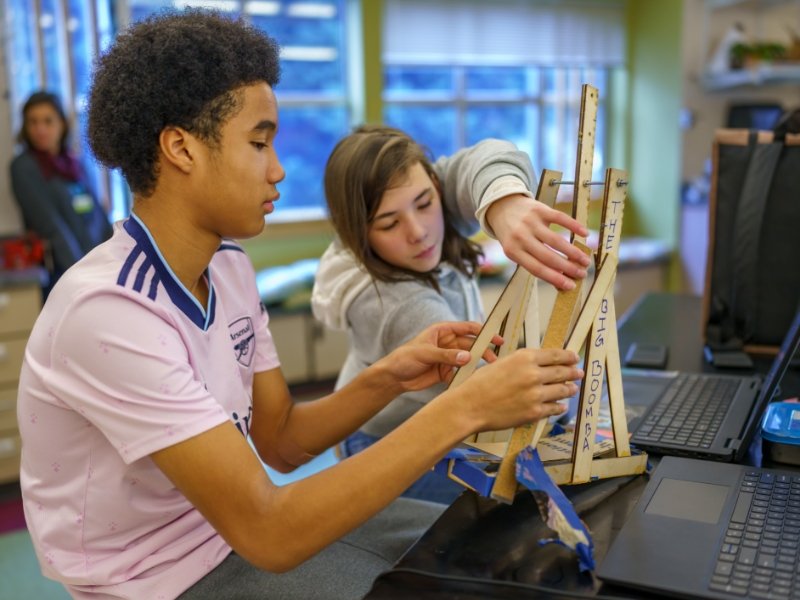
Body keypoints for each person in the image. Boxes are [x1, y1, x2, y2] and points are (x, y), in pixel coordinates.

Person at [17, 10, 584, 600]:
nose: (278, 168)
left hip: (226, 538)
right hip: (160, 580)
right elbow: (270, 532)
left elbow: (282, 441)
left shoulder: (228, 266)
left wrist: (389, 377)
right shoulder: (109, 313)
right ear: (181, 148)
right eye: (258, 143)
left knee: (497, 546)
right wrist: (463, 409)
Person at [312, 125, 590, 503]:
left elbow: (482, 158)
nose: (418, 231)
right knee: (517, 498)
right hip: (381, 441)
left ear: (435, 185)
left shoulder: (423, 200)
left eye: (425, 203)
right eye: (389, 223)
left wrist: (504, 202)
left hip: (438, 420)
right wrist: (562, 394)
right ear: (358, 234)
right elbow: (483, 391)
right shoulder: (393, 305)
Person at [10, 91, 113, 291]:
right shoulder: (24, 167)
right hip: (65, 276)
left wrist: (113, 262)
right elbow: (51, 227)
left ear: (62, 124)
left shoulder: (75, 164)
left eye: (48, 121)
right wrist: (81, 277)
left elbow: (98, 217)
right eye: (33, 122)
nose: (40, 129)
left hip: (98, 269)